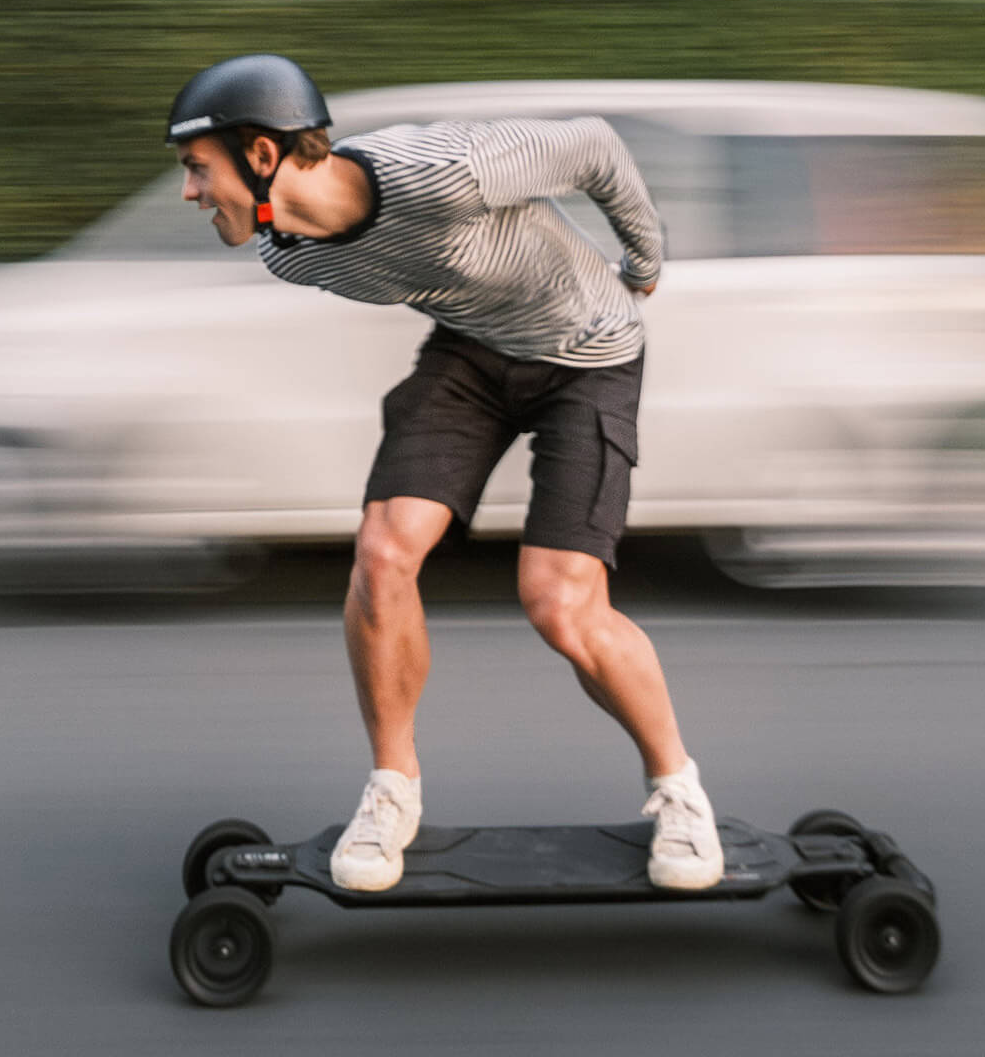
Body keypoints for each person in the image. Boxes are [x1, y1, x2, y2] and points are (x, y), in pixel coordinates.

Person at [167, 53, 724, 894]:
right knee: (383, 557)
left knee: (561, 603)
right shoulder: (291, 253)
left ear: (264, 154)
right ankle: (393, 790)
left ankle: (679, 790)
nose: (189, 193)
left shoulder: (445, 168)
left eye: (197, 170)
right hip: (473, 357)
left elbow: (597, 148)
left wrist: (642, 263)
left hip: (591, 355)